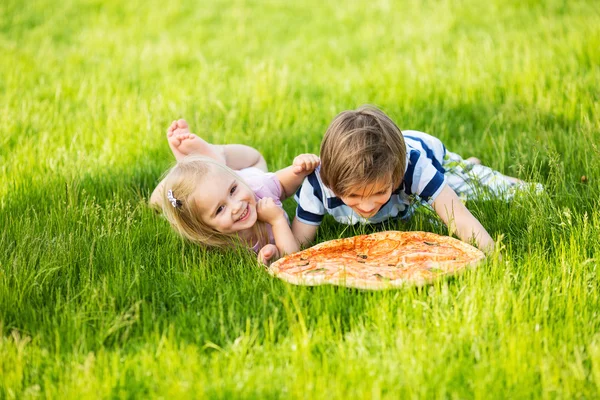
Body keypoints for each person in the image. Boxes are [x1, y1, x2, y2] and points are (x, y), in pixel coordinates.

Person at [275, 105, 541, 263]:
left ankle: (462, 171)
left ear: (398, 174)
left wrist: (495, 256)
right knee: (433, 211)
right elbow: (297, 246)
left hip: (430, 157)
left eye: (380, 192)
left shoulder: (413, 167)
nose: (366, 206)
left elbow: (458, 217)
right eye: (353, 196)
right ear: (331, 181)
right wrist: (274, 252)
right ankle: (446, 183)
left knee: (484, 191)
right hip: (406, 189)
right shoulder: (316, 184)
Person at [151, 119, 320, 259]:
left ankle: (217, 155)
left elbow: (283, 184)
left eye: (233, 190)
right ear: (205, 228)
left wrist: (299, 169)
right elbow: (289, 259)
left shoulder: (259, 188)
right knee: (160, 205)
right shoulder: (210, 239)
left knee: (256, 158)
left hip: (245, 171)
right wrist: (277, 222)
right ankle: (188, 167)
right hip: (222, 181)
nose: (236, 206)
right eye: (220, 209)